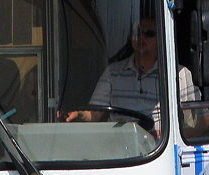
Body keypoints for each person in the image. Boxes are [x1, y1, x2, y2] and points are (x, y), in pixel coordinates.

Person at [64, 18, 200, 132]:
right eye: (137, 32)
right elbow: (95, 114)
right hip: (118, 150)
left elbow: (199, 123)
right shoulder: (112, 72)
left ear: (161, 37)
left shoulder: (179, 75)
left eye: (149, 33)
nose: (141, 37)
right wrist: (79, 115)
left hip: (158, 154)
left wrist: (166, 135)